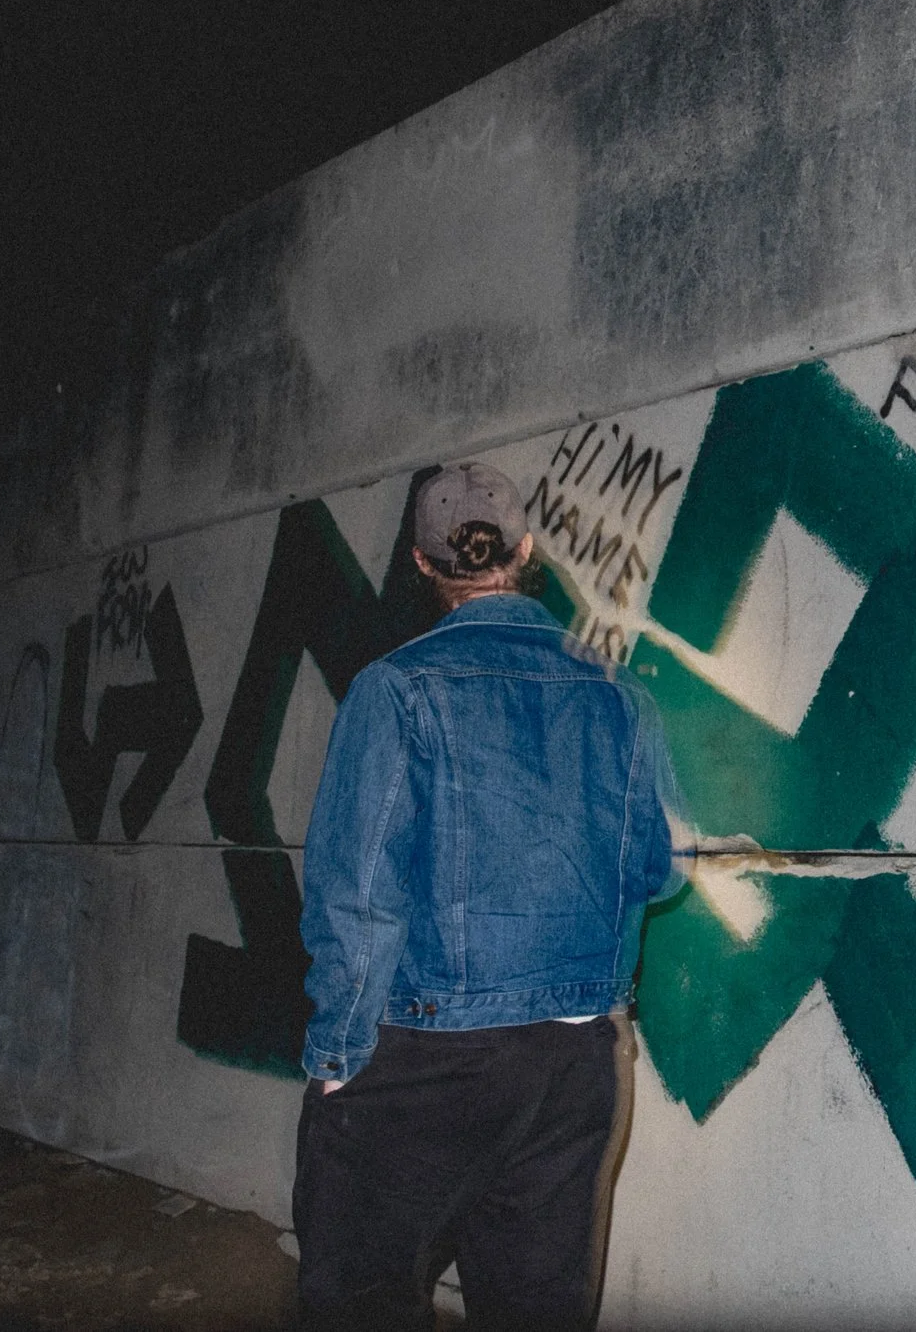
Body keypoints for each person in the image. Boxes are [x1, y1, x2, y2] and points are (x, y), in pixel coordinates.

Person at [294, 459, 685, 1332]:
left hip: (424, 1061)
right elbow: (663, 867)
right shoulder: (622, 697)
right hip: (571, 1063)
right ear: (528, 549)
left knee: (360, 1302)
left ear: (424, 565)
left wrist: (337, 1055)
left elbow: (357, 895)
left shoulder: (394, 688)